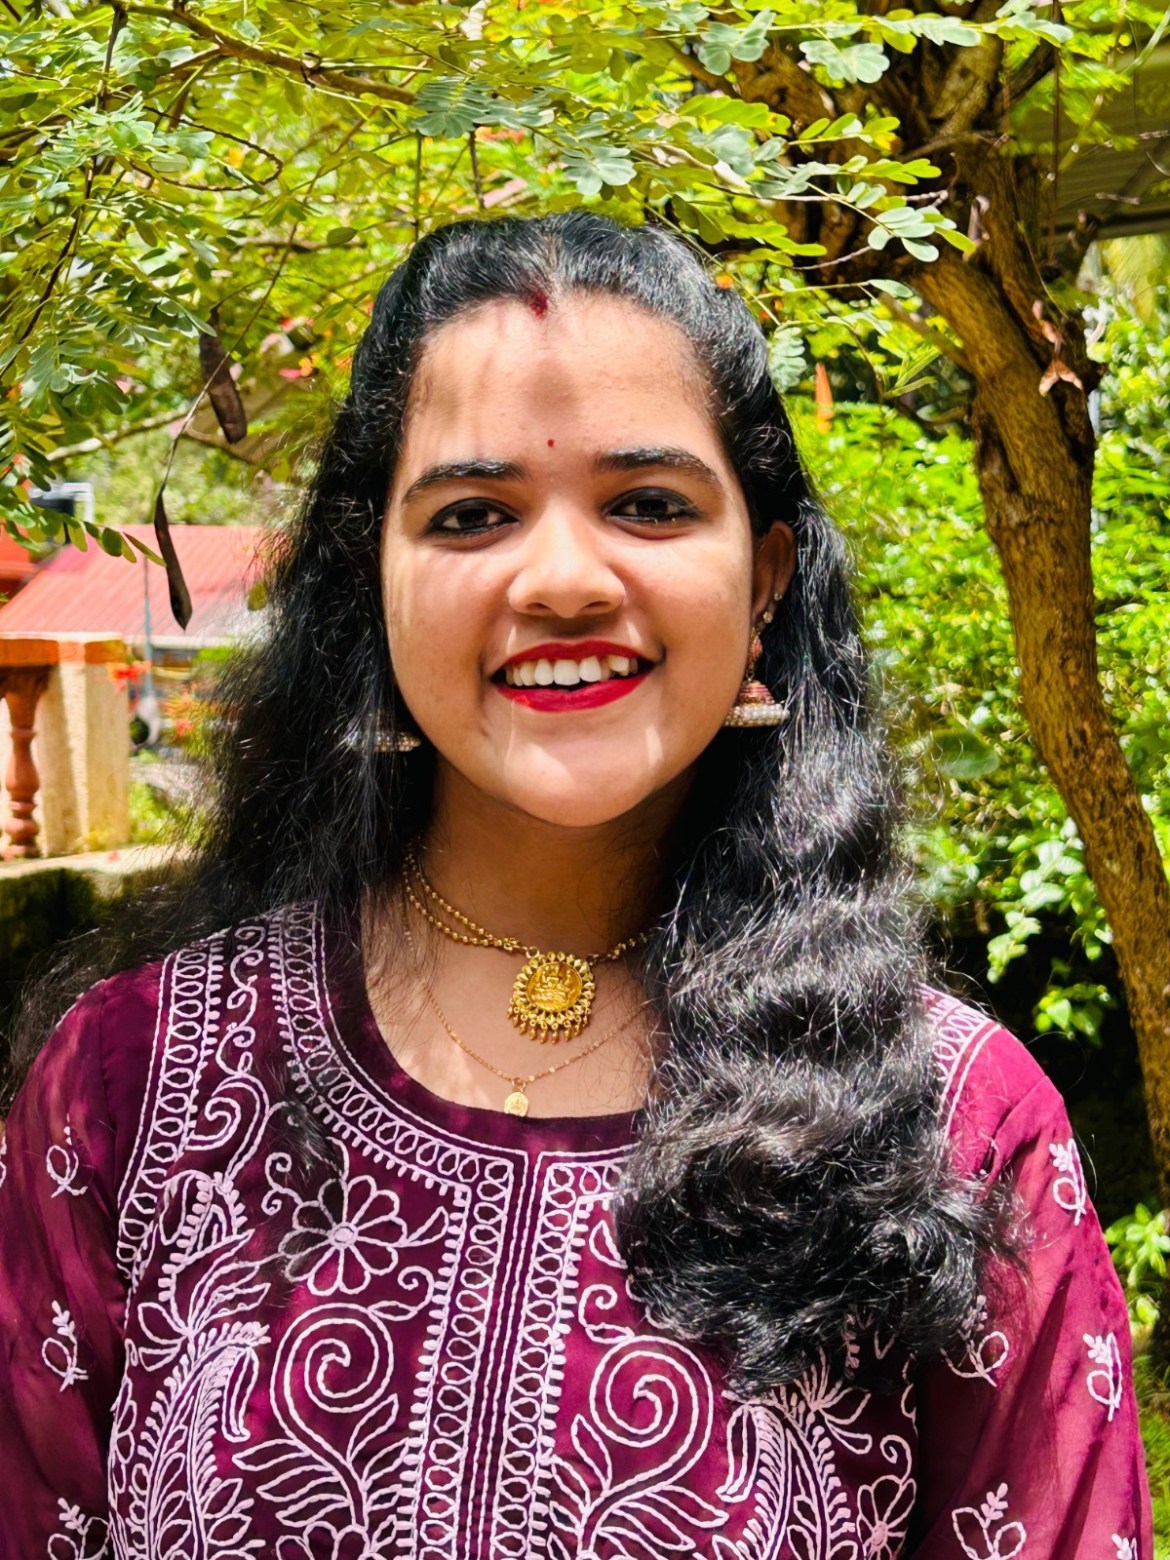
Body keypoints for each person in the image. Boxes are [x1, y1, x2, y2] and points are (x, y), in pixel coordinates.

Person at [0, 212, 1151, 1559]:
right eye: (472, 515)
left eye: (649, 504)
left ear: (765, 579)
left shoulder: (951, 1128)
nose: (559, 581)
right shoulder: (134, 1085)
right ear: (373, 580)